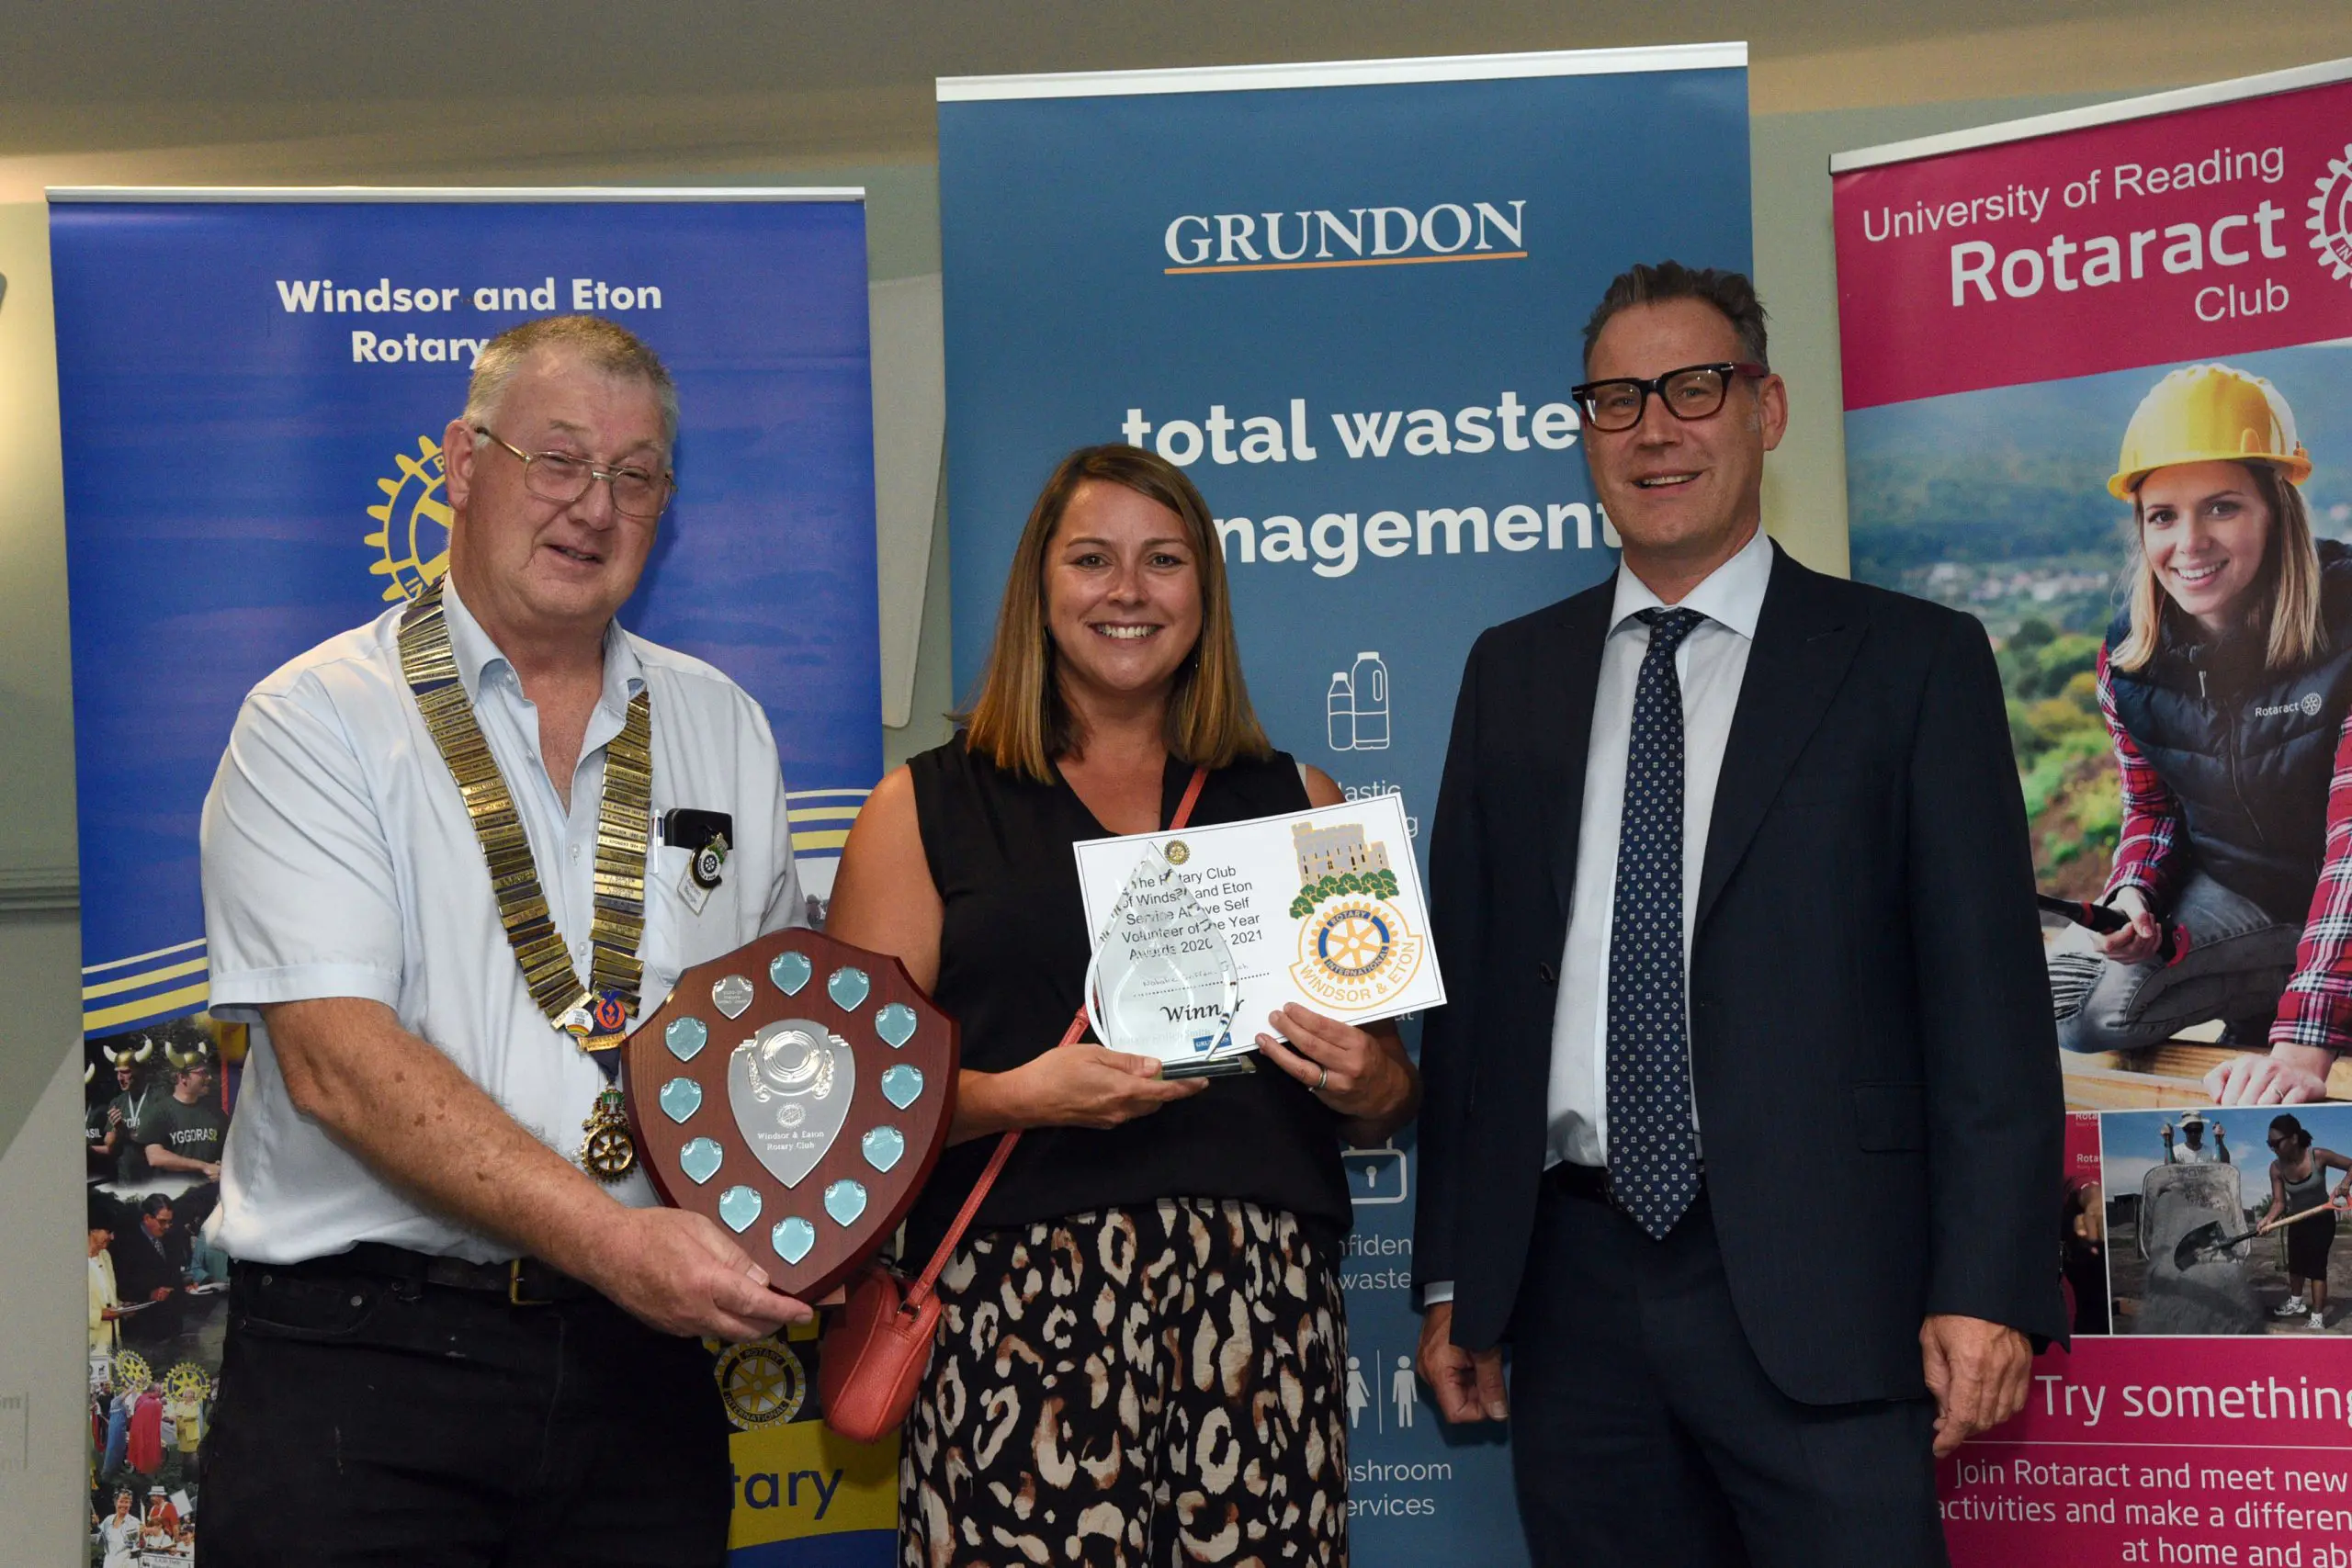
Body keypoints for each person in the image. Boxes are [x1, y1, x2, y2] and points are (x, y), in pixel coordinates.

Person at [1411, 262, 2064, 1567]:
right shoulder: (1512, 673)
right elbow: (1474, 1007)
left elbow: (1987, 1005)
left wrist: (1989, 1284)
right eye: (1615, 398)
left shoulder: (1911, 661)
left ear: (1765, 409)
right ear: (1584, 429)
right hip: (1572, 1292)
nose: (1655, 428)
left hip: (1835, 1292)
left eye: (1693, 387)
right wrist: (1451, 1278)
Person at [196, 315, 813, 1566]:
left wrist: (826, 1215)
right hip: (366, 1374)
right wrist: (612, 1237)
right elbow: (339, 1063)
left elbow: (768, 1040)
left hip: (640, 1377)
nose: (594, 504)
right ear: (462, 464)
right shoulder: (316, 719)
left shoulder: (723, 724)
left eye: (634, 476)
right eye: (558, 458)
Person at [828, 444, 1418, 1566]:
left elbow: (1387, 1095)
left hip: (1260, 1319)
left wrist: (1371, 1079)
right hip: (1017, 1327)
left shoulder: (1303, 805)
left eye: (1163, 561)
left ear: (1204, 593)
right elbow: (857, 1114)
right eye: (1092, 559)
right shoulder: (920, 810)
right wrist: (1015, 1097)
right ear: (1039, 592)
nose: (1128, 592)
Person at [2051, 366, 2350, 1107]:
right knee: (2076, 1009)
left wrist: (2300, 1047)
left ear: (2276, 511)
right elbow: (2153, 809)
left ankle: (2315, 985)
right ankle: (2303, 971)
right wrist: (2135, 894)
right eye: (2163, 515)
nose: (2190, 543)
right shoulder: (2130, 660)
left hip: (2336, 883)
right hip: (2247, 888)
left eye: (2221, 507)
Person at [2259, 1113, 2352, 1325]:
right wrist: (2268, 1219)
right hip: (2297, 1220)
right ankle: (2296, 1302)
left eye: (2276, 1143)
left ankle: (2317, 1317)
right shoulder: (2276, 1168)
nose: (2272, 1148)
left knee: (2316, 1268)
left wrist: (2346, 1183)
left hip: (2322, 1219)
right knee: (2296, 1265)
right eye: (2269, 1143)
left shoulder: (2318, 1156)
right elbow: (2279, 1203)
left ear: (2293, 1138)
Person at [2161, 1111, 2229, 1164]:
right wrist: (2168, 1140)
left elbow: (2224, 1164)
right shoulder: (2176, 1151)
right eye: (2190, 1130)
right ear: (2184, 1130)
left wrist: (2219, 1139)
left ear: (2202, 1130)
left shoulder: (2209, 1152)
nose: (2193, 1134)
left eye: (2197, 1129)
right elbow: (2168, 1171)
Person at [95, 1488, 140, 1568]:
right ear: (115, 1503)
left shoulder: (135, 1522)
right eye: (121, 1502)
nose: (124, 1505)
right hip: (109, 1563)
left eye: (127, 1502)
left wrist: (142, 1536)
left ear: (130, 1504)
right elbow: (100, 1542)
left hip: (127, 1564)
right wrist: (96, 1526)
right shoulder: (108, 1520)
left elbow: (141, 1545)